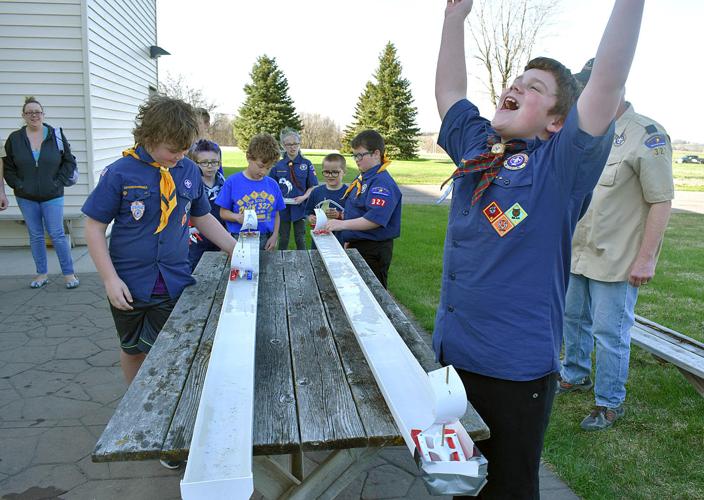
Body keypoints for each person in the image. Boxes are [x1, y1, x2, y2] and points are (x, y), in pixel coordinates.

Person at [433, 0, 644, 497]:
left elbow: (607, 82)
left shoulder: (560, 167)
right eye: (516, 80)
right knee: (452, 478)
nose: (516, 87)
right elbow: (450, 93)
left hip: (512, 371)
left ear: (555, 122)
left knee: (507, 487)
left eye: (534, 89)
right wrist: (454, 18)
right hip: (450, 359)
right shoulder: (478, 147)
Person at [82, 95, 236, 388]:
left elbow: (201, 217)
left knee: (167, 349)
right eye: (173, 149)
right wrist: (110, 280)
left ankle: (162, 401)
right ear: (150, 136)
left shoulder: (188, 171)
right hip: (128, 283)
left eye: (184, 149)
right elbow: (93, 227)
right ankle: (132, 402)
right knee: (132, 349)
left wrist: (234, 248)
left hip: (173, 278)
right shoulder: (119, 173)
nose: (179, 155)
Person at [557, 58, 674, 431]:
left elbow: (661, 200)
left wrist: (646, 259)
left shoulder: (646, 134)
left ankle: (609, 402)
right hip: (578, 251)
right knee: (572, 320)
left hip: (618, 259)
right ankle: (574, 375)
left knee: (610, 334)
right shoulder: (584, 132)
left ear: (617, 87)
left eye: (593, 87)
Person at [2, 96, 80, 289]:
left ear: (43, 114)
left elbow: (69, 162)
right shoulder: (14, 139)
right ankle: (41, 274)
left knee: (57, 233)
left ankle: (69, 274)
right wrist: (18, 185)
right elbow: (8, 167)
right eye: (29, 112)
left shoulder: (56, 135)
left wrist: (58, 182)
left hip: (53, 195)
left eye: (37, 112)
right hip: (25, 196)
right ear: (23, 116)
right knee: (35, 235)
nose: (34, 115)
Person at [325, 130, 402, 289]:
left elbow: (374, 219)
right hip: (358, 244)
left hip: (373, 249)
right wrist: (349, 239)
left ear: (376, 154)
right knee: (357, 291)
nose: (357, 160)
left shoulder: (381, 183)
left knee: (373, 295)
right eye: (354, 156)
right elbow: (357, 210)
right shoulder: (364, 177)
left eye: (360, 155)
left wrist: (342, 225)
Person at [215, 133, 285, 251]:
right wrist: (237, 217)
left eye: (268, 168)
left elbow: (276, 213)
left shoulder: (273, 185)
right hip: (238, 239)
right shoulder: (232, 182)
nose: (263, 172)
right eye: (260, 166)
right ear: (248, 157)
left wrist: (274, 236)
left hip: (266, 240)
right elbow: (223, 213)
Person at [270, 129, 317, 250]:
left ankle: (303, 262)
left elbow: (312, 186)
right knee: (283, 238)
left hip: (300, 207)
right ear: (283, 146)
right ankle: (281, 261)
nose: (292, 147)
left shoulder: (306, 164)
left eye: (295, 143)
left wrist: (304, 197)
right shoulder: (277, 165)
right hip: (283, 208)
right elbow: (271, 187)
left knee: (300, 237)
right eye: (289, 144)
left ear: (299, 144)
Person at [187, 139, 227, 271]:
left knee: (218, 270)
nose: (210, 166)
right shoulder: (190, 185)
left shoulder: (224, 184)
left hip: (219, 236)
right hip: (196, 240)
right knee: (196, 272)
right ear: (195, 163)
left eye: (214, 162)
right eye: (204, 162)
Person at [306, 153, 348, 246]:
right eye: (326, 172)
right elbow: (308, 211)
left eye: (335, 172)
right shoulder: (316, 192)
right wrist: (311, 218)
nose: (330, 175)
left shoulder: (349, 193)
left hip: (340, 241)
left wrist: (339, 215)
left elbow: (354, 217)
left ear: (344, 172)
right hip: (319, 241)